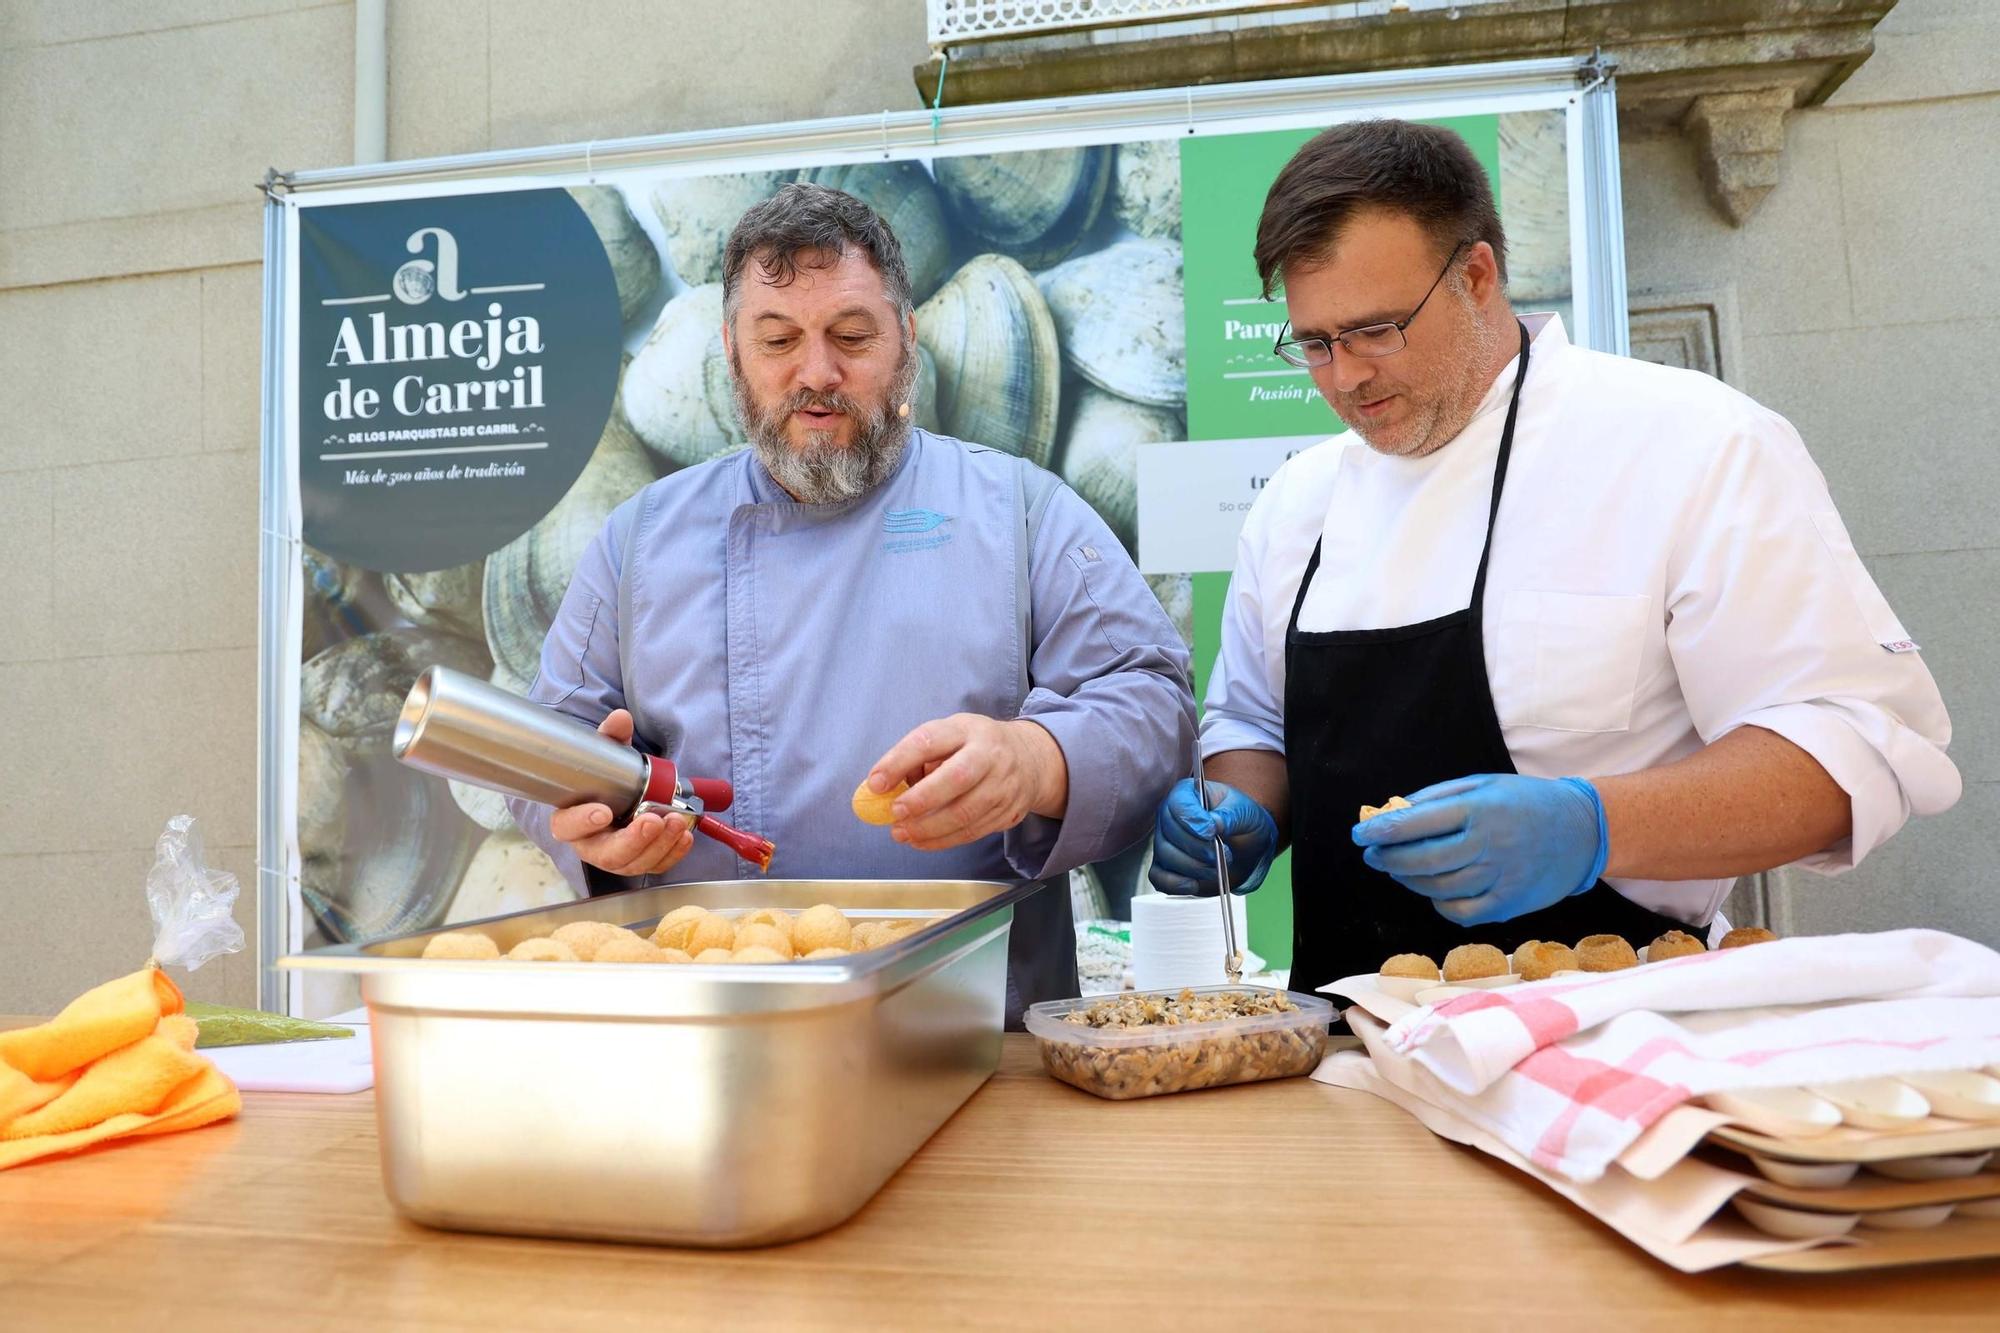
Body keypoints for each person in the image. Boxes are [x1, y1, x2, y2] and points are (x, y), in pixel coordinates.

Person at [1149, 119, 1958, 993]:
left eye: (1376, 330)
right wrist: (1240, 811)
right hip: (1352, 1049)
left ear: (1477, 276)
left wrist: (1592, 823)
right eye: (1314, 343)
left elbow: (1855, 747)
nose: (1344, 378)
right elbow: (1253, 726)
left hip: (1616, 1031)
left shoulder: (1693, 442)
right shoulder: (1296, 503)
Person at [509, 182, 1197, 1023]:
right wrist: (584, 823)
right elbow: (553, 747)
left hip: (973, 1028)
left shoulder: (1019, 509)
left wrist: (1038, 759)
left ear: (905, 338)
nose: (816, 373)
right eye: (778, 341)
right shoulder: (637, 541)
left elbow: (1155, 701)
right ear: (732, 352)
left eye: (851, 336)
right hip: (704, 1027)